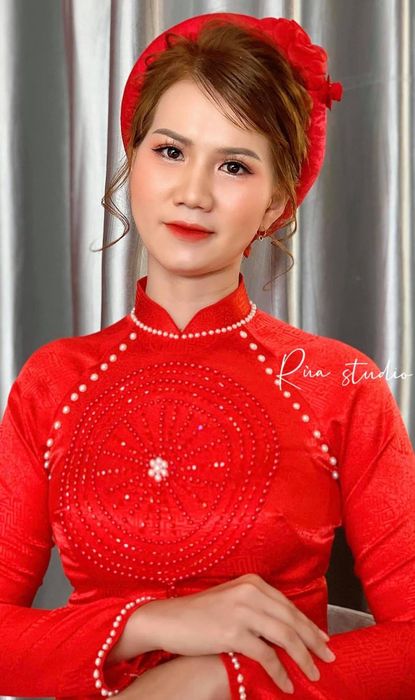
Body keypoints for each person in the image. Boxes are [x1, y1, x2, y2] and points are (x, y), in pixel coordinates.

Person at [0, 10, 414, 700]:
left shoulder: (337, 383)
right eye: (170, 151)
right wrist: (148, 623)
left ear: (278, 202)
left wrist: (217, 677)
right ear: (132, 161)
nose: (192, 193)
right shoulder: (53, 382)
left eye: (233, 165)